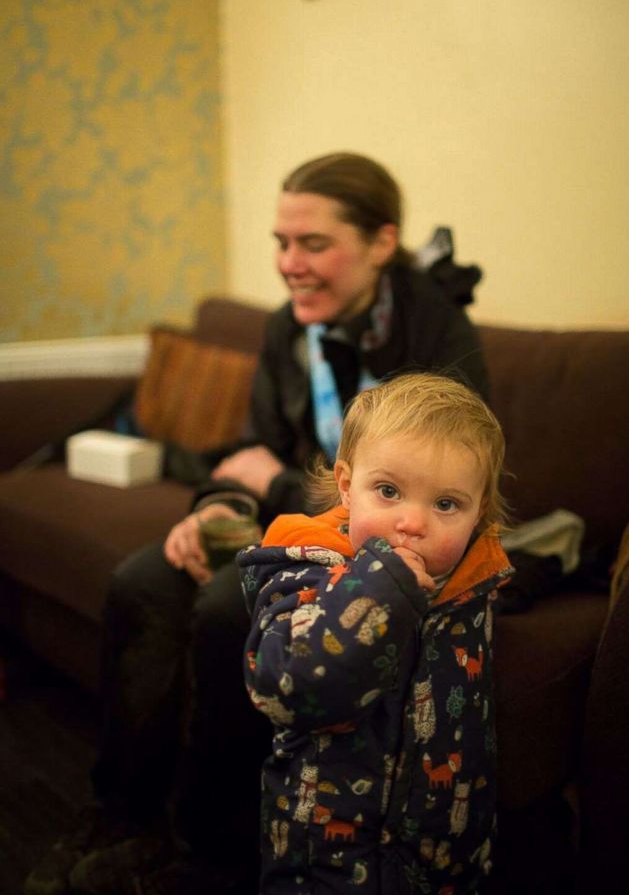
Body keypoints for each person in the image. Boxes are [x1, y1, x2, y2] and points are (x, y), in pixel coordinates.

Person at [25, 153, 489, 895]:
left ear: (379, 243)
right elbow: (250, 449)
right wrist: (216, 507)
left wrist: (266, 482)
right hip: (295, 527)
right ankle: (123, 815)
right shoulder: (286, 330)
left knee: (222, 606)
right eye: (280, 243)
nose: (288, 265)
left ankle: (208, 847)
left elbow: (445, 490)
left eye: (312, 245)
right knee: (143, 578)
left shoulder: (436, 333)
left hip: (387, 547)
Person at [240, 372, 513, 893]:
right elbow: (282, 686)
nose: (412, 522)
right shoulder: (306, 570)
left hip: (440, 861)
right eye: (388, 491)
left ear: (479, 513)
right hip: (323, 863)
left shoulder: (473, 586)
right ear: (346, 484)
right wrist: (379, 588)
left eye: (446, 504)